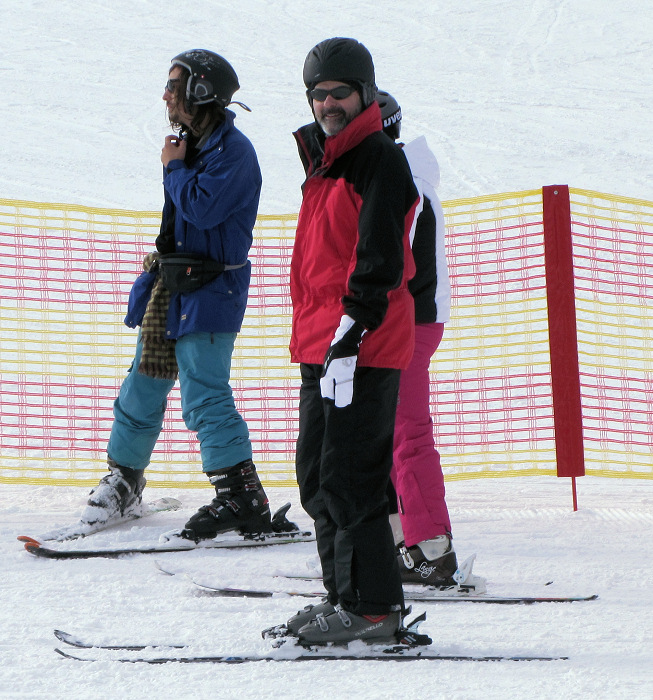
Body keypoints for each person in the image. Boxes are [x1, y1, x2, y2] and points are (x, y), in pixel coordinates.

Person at [80, 49, 290, 541]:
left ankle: (241, 491)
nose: (166, 96)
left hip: (213, 290)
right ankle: (124, 478)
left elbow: (201, 209)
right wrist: (178, 162)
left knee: (204, 394)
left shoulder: (233, 153)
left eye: (175, 86)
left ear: (200, 90)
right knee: (142, 385)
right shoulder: (194, 147)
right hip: (173, 289)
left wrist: (173, 168)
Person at [279, 38, 420, 645]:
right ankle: (345, 597)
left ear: (363, 92)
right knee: (316, 475)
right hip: (322, 343)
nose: (327, 103)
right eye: (318, 94)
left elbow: (382, 256)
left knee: (352, 478)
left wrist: (353, 329)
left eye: (338, 92)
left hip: (363, 342)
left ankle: (375, 608)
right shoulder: (325, 161)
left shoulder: (378, 159)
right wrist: (327, 340)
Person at [376, 90, 458, 585]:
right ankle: (398, 540)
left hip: (410, 320)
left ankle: (430, 547)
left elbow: (390, 258)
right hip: (401, 317)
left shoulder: (403, 181)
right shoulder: (401, 174)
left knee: (407, 432)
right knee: (382, 430)